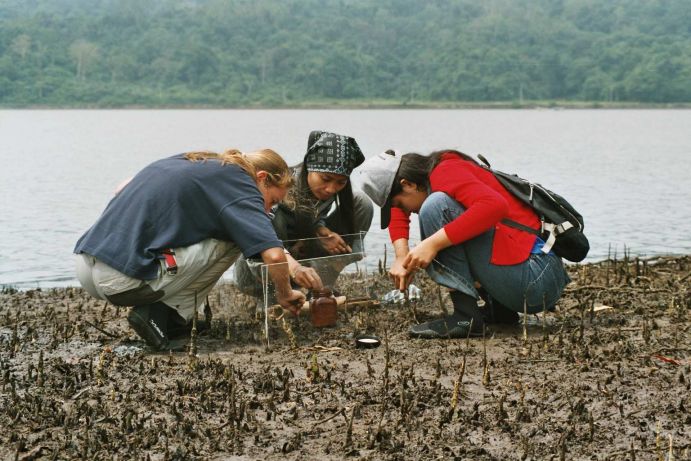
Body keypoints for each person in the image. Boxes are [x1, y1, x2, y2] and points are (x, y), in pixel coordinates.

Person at [74, 149, 309, 350]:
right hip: (119, 280)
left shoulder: (198, 162)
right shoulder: (242, 184)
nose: (267, 211)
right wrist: (285, 294)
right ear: (263, 178)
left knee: (223, 231)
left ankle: (176, 320)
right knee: (233, 239)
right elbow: (274, 255)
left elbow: (122, 187)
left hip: (87, 265)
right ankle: (163, 315)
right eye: (273, 201)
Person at [358, 149, 571, 339]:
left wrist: (431, 244)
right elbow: (399, 210)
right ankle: (500, 310)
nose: (405, 211)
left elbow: (495, 206)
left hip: (536, 277)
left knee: (435, 207)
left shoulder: (446, 172)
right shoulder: (435, 172)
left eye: (399, 203)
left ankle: (465, 317)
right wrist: (401, 255)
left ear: (408, 184)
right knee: (447, 216)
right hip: (536, 277)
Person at [235, 130, 373, 294]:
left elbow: (313, 215)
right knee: (276, 218)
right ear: (309, 168)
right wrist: (300, 247)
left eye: (341, 182)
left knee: (362, 202)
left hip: (302, 251)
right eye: (326, 179)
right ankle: (277, 292)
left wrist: (322, 232)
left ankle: (320, 285)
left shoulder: (328, 191)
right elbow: (260, 235)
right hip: (266, 260)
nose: (331, 189)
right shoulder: (281, 188)